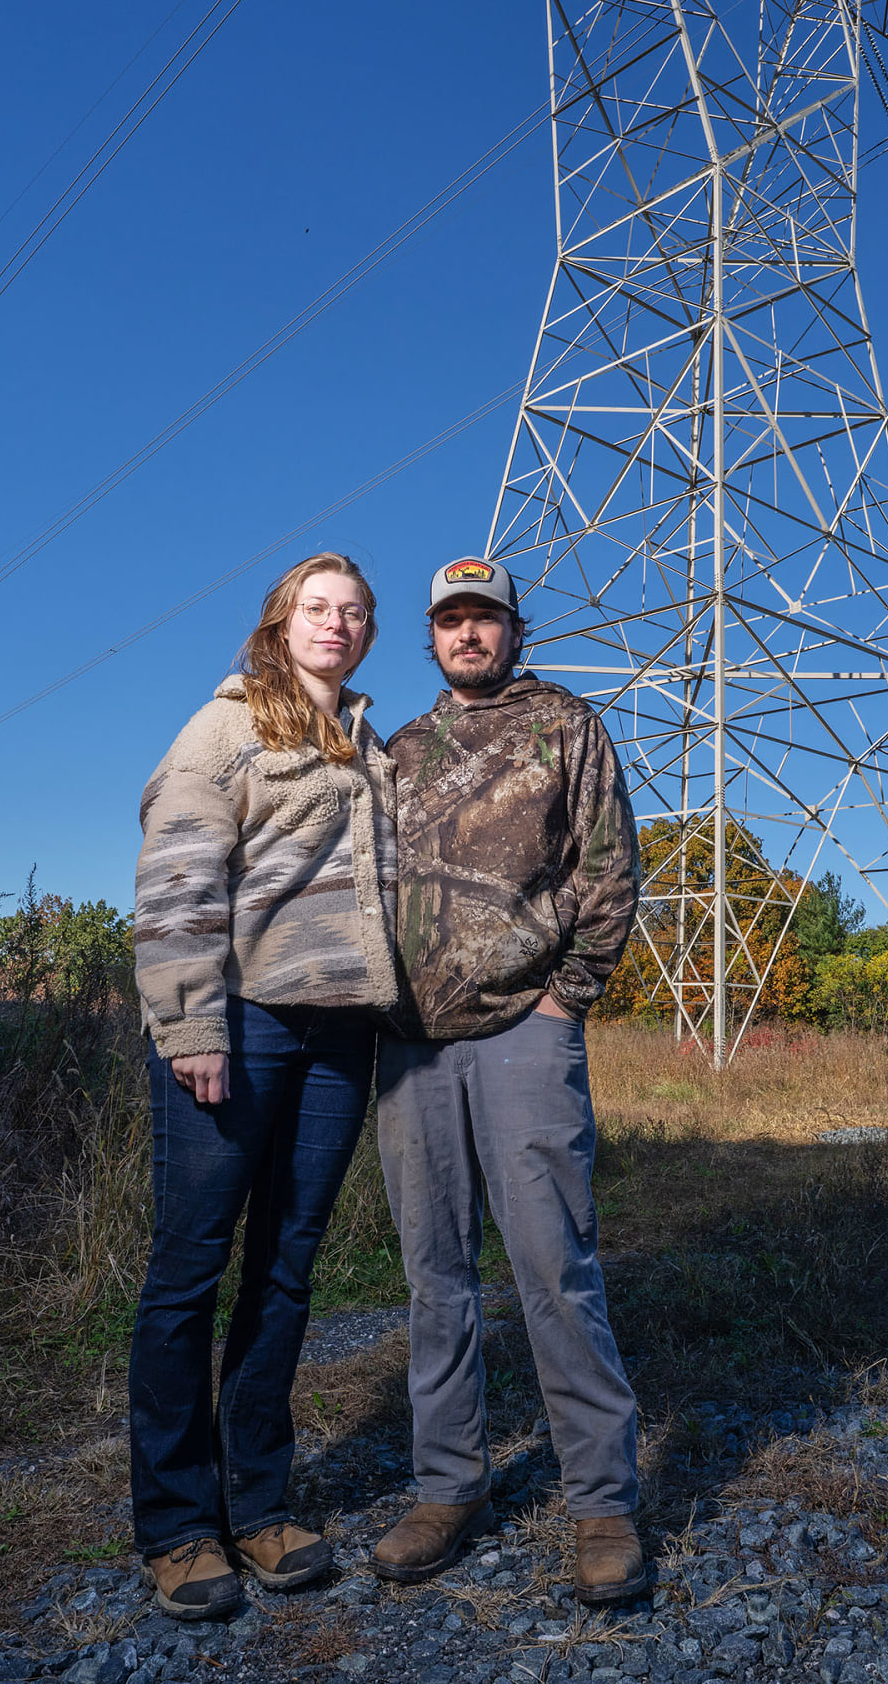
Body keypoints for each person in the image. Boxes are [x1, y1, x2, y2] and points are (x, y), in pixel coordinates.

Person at [129, 553, 399, 1621]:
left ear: (369, 633)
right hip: (237, 1027)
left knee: (286, 1273)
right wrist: (191, 1019)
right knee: (190, 1274)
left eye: (354, 612)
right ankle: (178, 1525)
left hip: (340, 1038)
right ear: (281, 624)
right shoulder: (225, 728)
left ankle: (263, 1504)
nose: (336, 624)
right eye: (317, 608)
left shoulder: (368, 744)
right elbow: (178, 872)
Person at [373, 557, 645, 1604]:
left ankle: (603, 1505)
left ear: (514, 631)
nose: (469, 636)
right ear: (432, 638)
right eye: (452, 621)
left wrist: (569, 995)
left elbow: (610, 866)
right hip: (411, 1047)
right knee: (434, 1276)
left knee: (554, 1268)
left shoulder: (566, 727)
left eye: (486, 619)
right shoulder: (401, 751)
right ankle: (448, 1487)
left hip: (528, 1030)